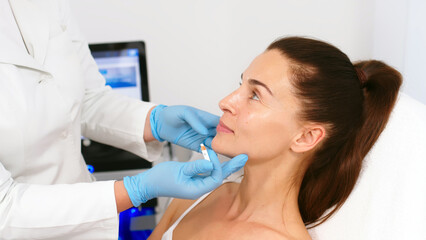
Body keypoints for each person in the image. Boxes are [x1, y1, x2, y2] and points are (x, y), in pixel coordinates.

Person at [0, 1, 247, 239]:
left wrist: (155, 121)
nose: (226, 101)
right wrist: (135, 190)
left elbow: (84, 98)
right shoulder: (191, 207)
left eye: (256, 94)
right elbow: (5, 210)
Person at [148, 36, 402, 240]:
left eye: (256, 95)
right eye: (241, 85)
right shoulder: (194, 196)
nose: (225, 102)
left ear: (306, 137)